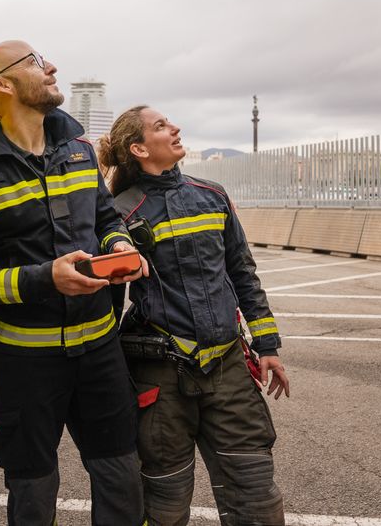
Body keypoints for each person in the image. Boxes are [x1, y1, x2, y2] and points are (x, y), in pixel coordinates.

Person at [0, 41, 148, 526]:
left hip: (100, 354)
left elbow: (105, 218)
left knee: (122, 481)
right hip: (24, 365)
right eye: (35, 62)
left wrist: (118, 246)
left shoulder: (79, 150)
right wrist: (45, 278)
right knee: (32, 494)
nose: (51, 66)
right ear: (2, 84)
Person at [99, 105, 291, 526]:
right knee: (163, 505)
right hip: (159, 379)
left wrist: (268, 346)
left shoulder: (213, 195)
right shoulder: (118, 212)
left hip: (229, 370)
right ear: (139, 149)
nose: (175, 128)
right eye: (161, 126)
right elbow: (108, 306)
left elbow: (242, 273)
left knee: (256, 496)